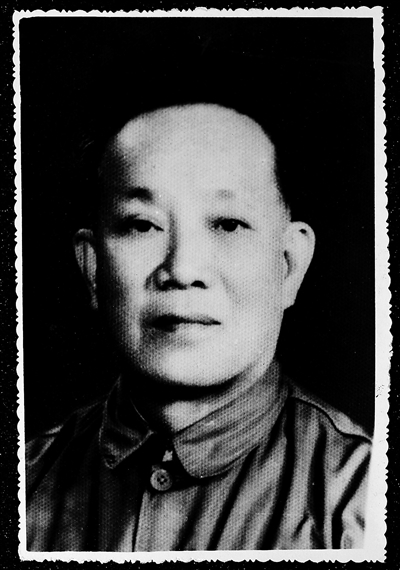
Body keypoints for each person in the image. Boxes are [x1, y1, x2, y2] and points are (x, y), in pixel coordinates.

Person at [26, 102, 371, 552]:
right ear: (94, 269)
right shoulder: (28, 481)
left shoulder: (359, 500)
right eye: (142, 225)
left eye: (227, 224)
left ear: (288, 266)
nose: (183, 270)